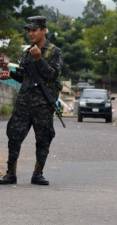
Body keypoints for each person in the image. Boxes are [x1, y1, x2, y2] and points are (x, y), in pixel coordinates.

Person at [0, 16, 63, 185]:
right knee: (14, 135)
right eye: (29, 30)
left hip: (42, 104)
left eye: (34, 30)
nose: (31, 33)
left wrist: (39, 58)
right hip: (24, 102)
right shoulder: (27, 51)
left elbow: (51, 75)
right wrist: (8, 71)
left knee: (43, 138)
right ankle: (10, 174)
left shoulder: (53, 51)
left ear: (43, 30)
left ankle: (38, 174)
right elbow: (24, 76)